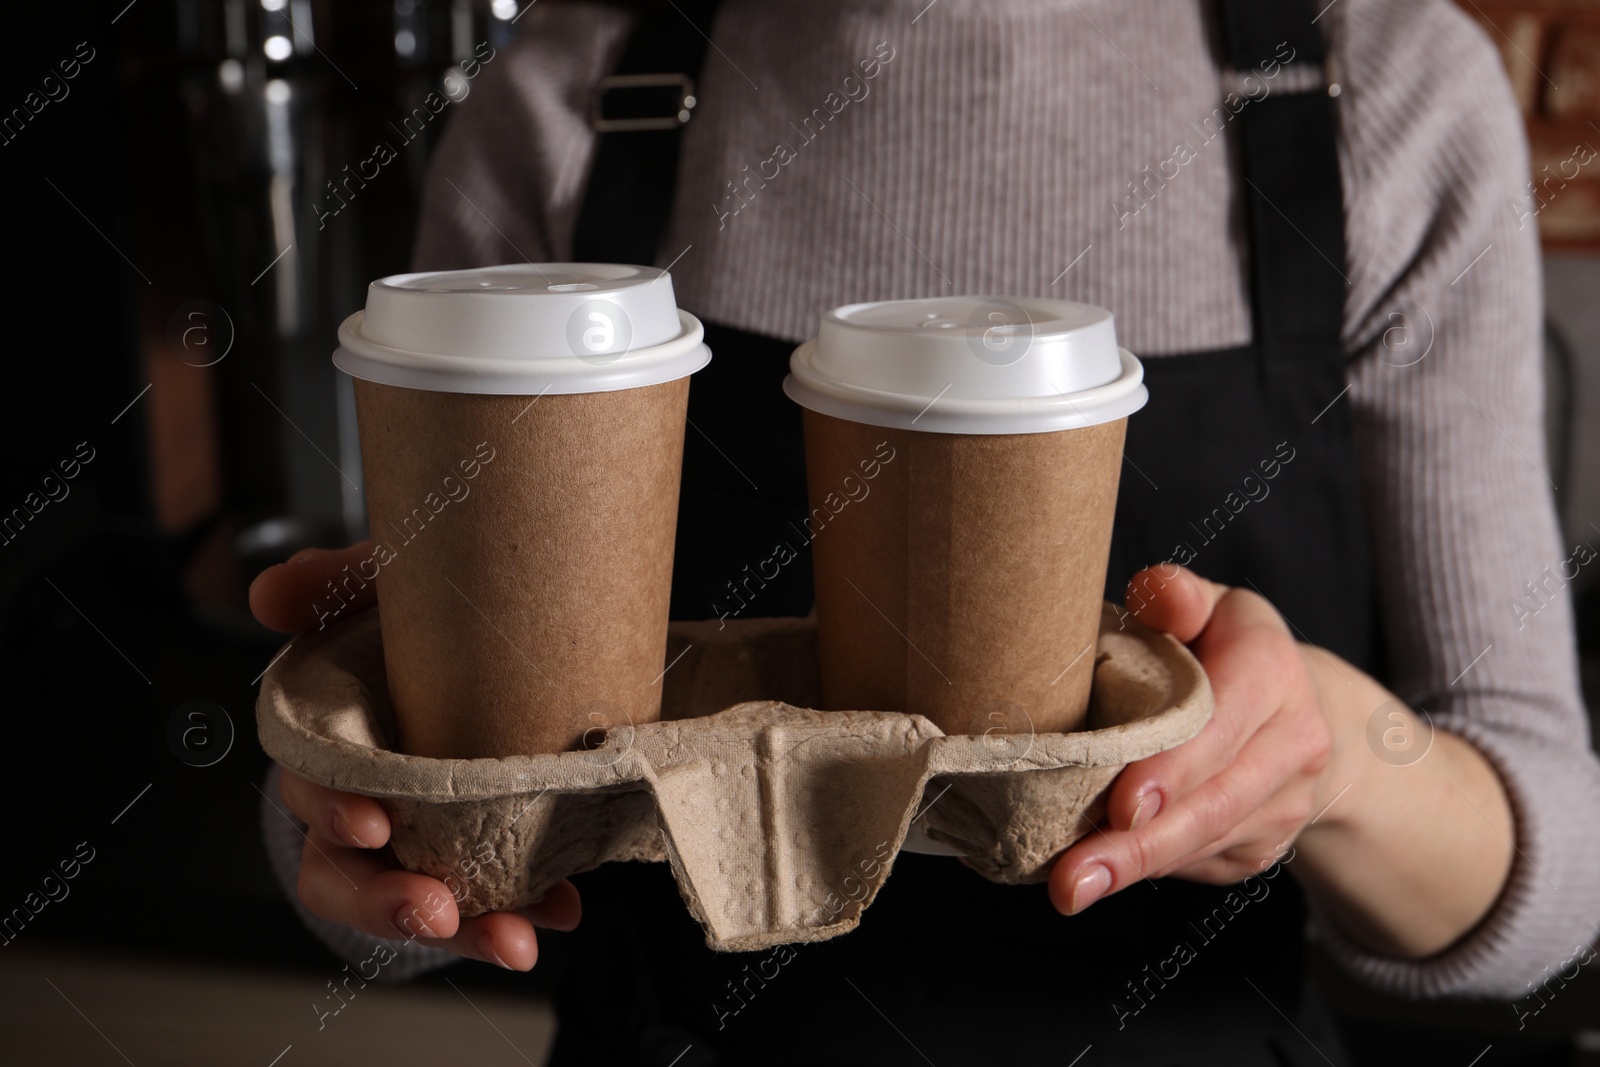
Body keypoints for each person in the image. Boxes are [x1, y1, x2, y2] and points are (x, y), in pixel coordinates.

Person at [254, 0, 1600, 1062]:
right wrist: (357, 819)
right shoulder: (568, 91)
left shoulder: (1386, 87)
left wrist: (1336, 760)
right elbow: (422, 867)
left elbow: (1554, 890)